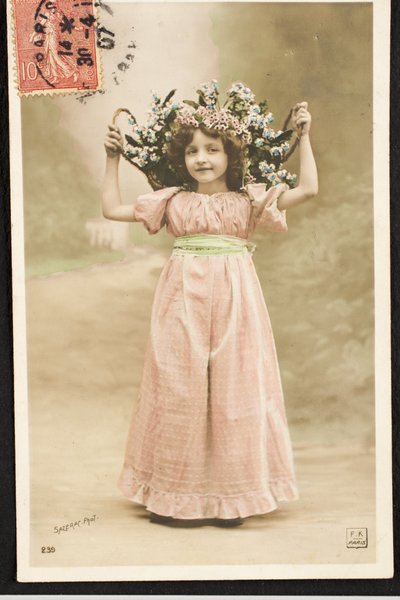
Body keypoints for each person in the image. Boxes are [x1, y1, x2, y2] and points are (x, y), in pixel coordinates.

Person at [102, 86, 318, 527]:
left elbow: (310, 191)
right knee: (179, 388)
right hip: (181, 300)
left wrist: (305, 135)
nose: (202, 159)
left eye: (213, 149)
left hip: (236, 299)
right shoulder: (172, 201)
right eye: (193, 151)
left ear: (230, 155)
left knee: (234, 388)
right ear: (181, 158)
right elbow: (109, 209)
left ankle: (229, 499)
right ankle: (175, 497)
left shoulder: (249, 200)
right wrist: (112, 159)